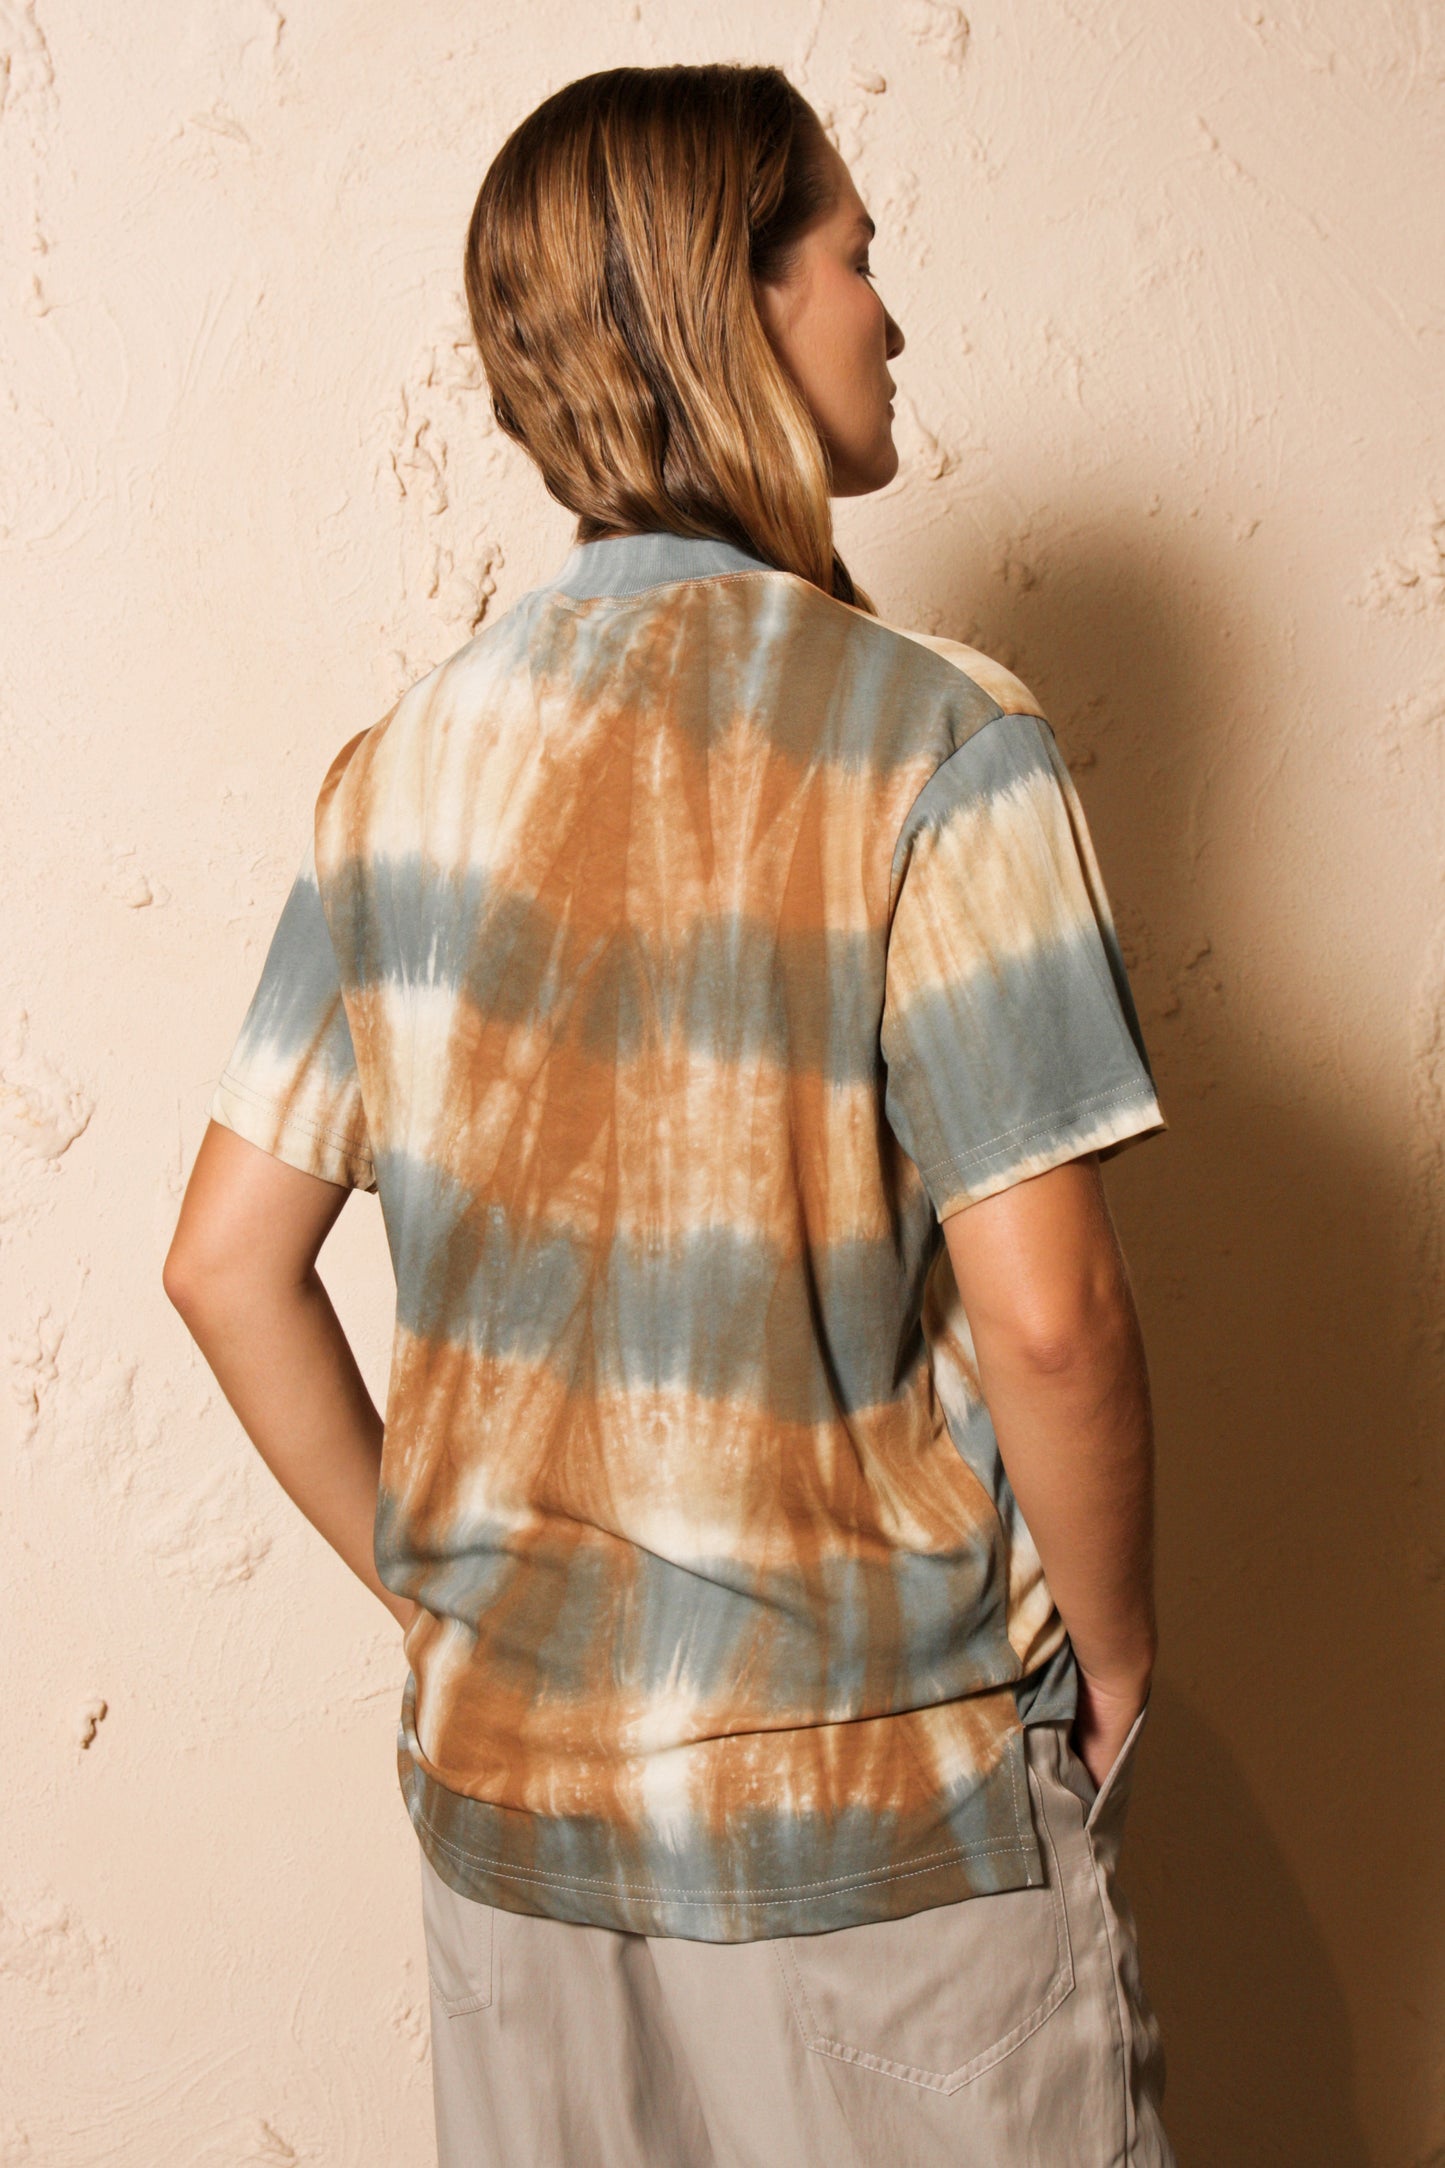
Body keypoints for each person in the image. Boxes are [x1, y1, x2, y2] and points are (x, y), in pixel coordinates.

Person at [163, 60, 1177, 2168]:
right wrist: (1121, 1660)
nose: (889, 315)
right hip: (878, 1833)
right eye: (854, 257)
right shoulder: (937, 740)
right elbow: (1053, 1315)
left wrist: (460, 1616)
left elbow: (225, 1264)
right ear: (742, 299)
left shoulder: (402, 771)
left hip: (517, 1844)